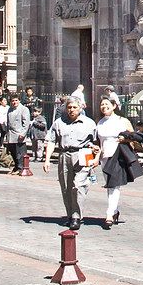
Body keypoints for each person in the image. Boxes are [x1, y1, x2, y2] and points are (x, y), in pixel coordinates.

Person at [43, 96, 97, 230]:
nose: (72, 110)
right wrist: (47, 159)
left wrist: (95, 154)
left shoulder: (89, 123)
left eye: (74, 107)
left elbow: (96, 142)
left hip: (83, 154)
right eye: (69, 107)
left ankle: (76, 216)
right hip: (64, 155)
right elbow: (51, 141)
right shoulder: (59, 122)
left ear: (80, 108)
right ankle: (70, 214)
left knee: (78, 186)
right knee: (66, 187)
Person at [92, 96, 139, 230]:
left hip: (118, 156)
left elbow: (133, 136)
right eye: (102, 105)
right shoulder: (100, 122)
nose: (104, 107)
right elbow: (99, 143)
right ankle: (115, 210)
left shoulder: (122, 121)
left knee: (115, 186)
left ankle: (109, 215)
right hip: (105, 157)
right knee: (110, 185)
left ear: (114, 106)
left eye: (107, 104)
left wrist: (125, 139)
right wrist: (96, 157)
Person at [6, 94, 30, 175]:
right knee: (13, 152)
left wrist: (23, 133)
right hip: (11, 134)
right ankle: (16, 166)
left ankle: (21, 168)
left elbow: (26, 123)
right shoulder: (10, 109)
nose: (14, 102)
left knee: (20, 152)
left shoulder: (24, 109)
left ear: (19, 101)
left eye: (16, 100)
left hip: (19, 134)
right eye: (12, 101)